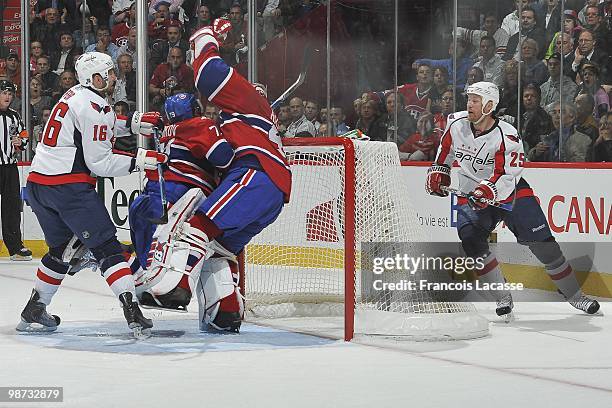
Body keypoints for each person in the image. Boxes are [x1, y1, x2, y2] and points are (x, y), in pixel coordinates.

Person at [135, 18, 291, 333]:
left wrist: (207, 35)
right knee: (221, 248)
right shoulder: (240, 118)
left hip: (255, 173)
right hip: (273, 191)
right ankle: (225, 312)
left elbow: (207, 71)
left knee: (197, 226)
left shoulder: (244, 98)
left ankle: (175, 285)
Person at [15, 52, 166, 336]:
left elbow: (95, 127)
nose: (113, 77)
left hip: (38, 185)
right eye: (108, 73)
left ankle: (36, 307)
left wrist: (132, 123)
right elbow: (101, 162)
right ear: (94, 78)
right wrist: (140, 160)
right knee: (108, 247)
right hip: (68, 188)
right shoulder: (94, 106)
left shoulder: (74, 94)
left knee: (61, 251)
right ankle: (132, 311)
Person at [426, 81, 599, 320]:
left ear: (489, 105)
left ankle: (575, 295)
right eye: (469, 100)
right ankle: (502, 295)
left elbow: (507, 173)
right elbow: (445, 152)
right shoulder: (456, 123)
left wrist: (488, 189)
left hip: (511, 193)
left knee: (544, 245)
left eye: (475, 101)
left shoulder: (506, 134)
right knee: (470, 240)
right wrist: (439, 171)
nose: (469, 105)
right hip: (473, 194)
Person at [128, 93, 234, 311]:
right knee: (190, 240)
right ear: (194, 110)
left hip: (150, 194)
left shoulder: (166, 132)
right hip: (180, 191)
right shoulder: (200, 124)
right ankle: (176, 289)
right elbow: (224, 157)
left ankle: (147, 284)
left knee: (147, 248)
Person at [0, 80, 33, 261]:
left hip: (10, 167)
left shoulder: (14, 116)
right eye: (4, 93)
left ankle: (14, 248)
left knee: (12, 208)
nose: (7, 97)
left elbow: (24, 134)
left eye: (10, 94)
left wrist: (22, 142)